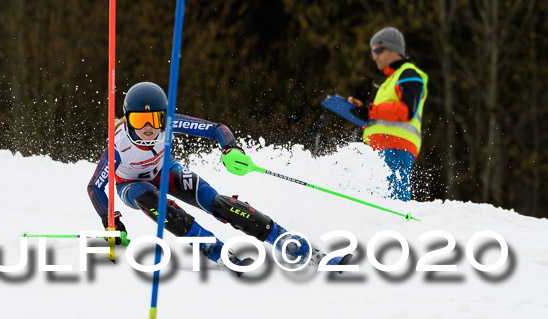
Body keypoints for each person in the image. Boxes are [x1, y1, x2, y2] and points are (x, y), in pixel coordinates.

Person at [88, 81, 348, 272]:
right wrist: (111, 221)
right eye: (140, 120)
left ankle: (299, 248)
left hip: (166, 171)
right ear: (128, 119)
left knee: (219, 204)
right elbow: (95, 188)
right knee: (150, 198)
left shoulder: (170, 123)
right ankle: (214, 249)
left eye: (155, 119)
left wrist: (230, 147)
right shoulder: (117, 146)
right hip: (132, 185)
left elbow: (216, 128)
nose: (148, 128)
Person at [347, 27, 428, 201]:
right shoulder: (392, 79)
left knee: (393, 205)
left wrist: (370, 111)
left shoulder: (409, 74)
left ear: (393, 50)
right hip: (382, 146)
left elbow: (407, 110)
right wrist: (363, 110)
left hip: (396, 147)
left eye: (377, 50)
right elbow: (387, 114)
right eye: (372, 51)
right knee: (376, 203)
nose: (374, 56)